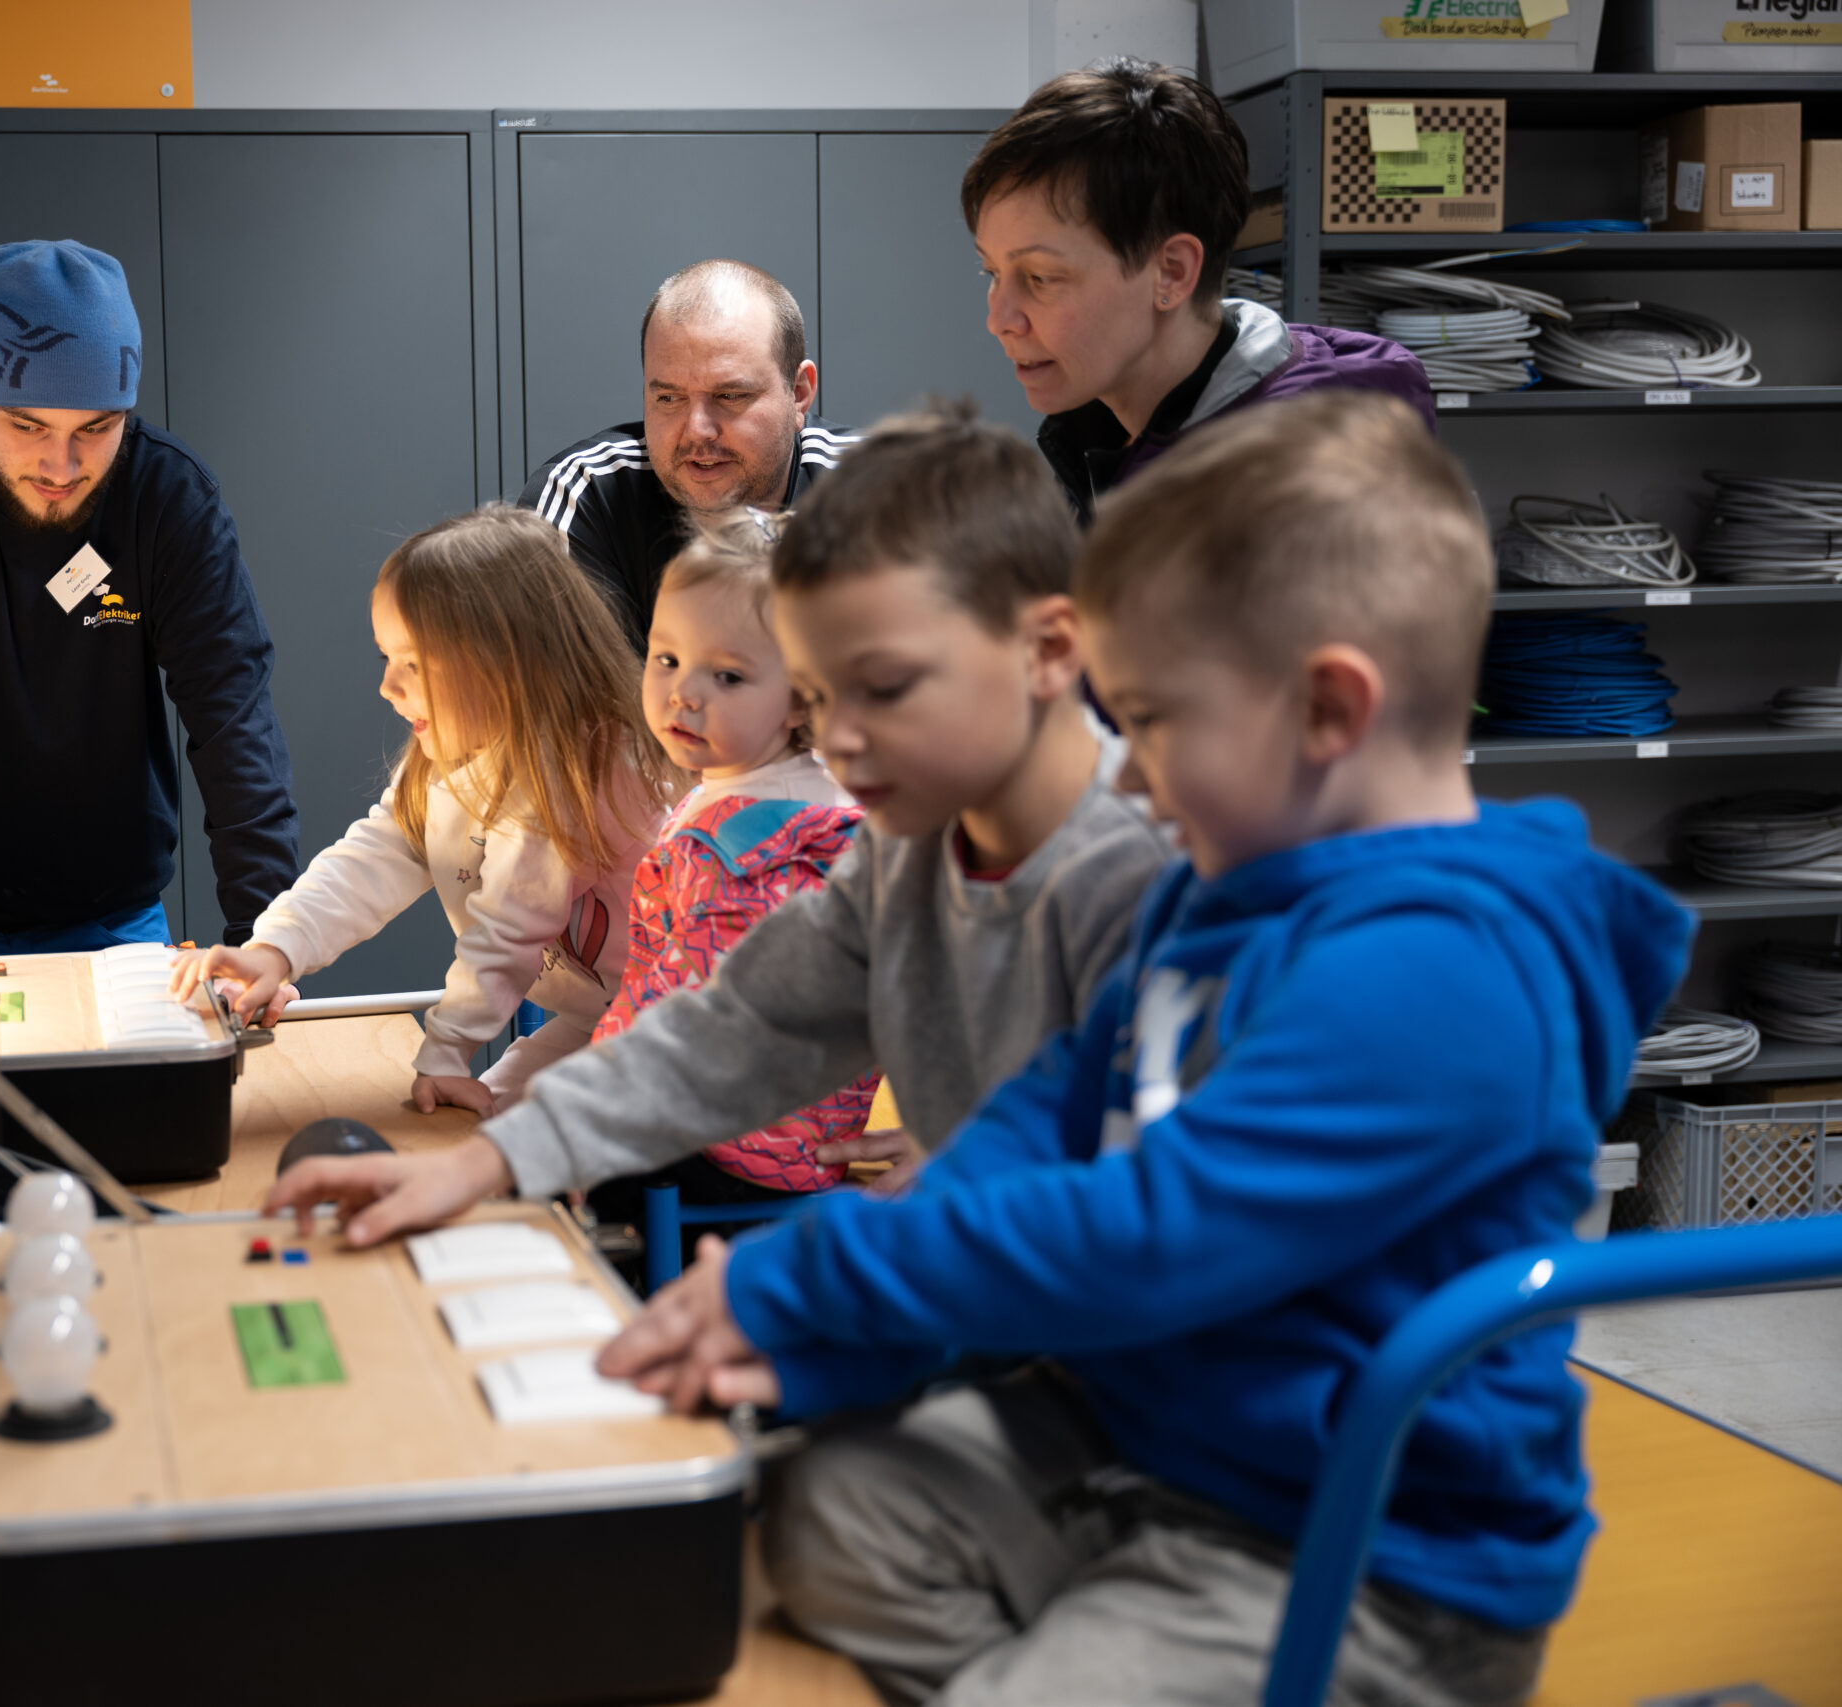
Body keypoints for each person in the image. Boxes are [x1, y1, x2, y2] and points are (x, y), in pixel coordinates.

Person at [598, 392, 1689, 1707]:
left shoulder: (1436, 977)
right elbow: (1046, 1114)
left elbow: (1151, 1231)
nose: (1123, 775)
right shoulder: (1222, 891)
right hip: (1151, 1439)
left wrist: (815, 1277)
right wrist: (836, 1326)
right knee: (831, 1514)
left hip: (1348, 1549)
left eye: (1155, 722)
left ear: (1327, 709)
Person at [268, 403, 1171, 1242]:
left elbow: (1165, 1207)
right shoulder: (888, 848)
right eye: (816, 693)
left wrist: (975, 1143)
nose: (834, 744)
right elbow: (719, 1029)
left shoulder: (1149, 874)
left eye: (883, 686)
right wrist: (485, 1164)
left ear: (1046, 652)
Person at [0, 239, 298, 955]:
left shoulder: (168, 500)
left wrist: (265, 944)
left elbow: (235, 721)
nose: (61, 465)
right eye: (28, 426)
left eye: (95, 429)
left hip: (115, 917)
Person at [171, 507, 677, 1118]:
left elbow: (506, 931)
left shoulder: (580, 768)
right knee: (475, 1129)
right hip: (604, 1021)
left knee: (488, 1137)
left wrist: (446, 1051)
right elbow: (371, 861)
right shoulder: (455, 755)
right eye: (385, 658)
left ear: (508, 664)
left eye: (413, 663)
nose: (388, 686)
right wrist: (273, 951)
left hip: (675, 1038)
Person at [965, 58, 1432, 522]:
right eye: (992, 273)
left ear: (1171, 272)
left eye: (1040, 277)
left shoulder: (1299, 496)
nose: (999, 320)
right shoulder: (1103, 429)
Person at [580, 510, 872, 1232]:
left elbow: (678, 1024)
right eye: (666, 658)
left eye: (728, 675)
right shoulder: (830, 800)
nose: (683, 693)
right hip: (801, 1143)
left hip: (727, 1161)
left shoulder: (733, 853)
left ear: (803, 696)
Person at [525, 260, 856, 648]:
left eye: (730, 396)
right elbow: (558, 684)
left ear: (798, 394)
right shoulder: (586, 495)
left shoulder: (879, 493)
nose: (697, 429)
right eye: (669, 398)